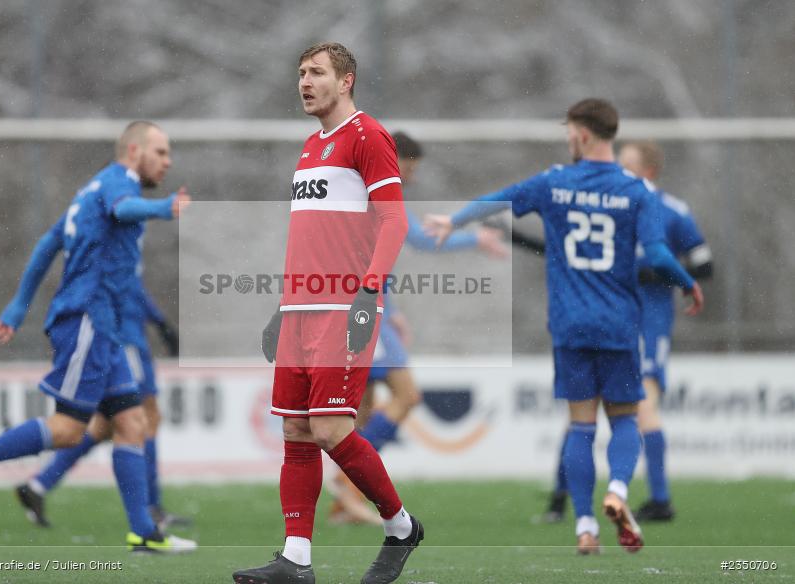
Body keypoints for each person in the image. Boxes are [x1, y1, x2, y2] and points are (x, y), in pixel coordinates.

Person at [425, 99, 704, 555]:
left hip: (571, 325)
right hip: (618, 324)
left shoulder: (554, 183)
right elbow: (655, 255)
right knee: (625, 419)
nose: (567, 138)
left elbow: (496, 201)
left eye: (569, 130)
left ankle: (586, 527)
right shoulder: (637, 191)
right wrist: (687, 283)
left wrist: (452, 220)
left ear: (583, 135)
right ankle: (617, 488)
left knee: (580, 427)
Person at [0, 121, 196, 553]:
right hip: (86, 319)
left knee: (132, 423)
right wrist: (161, 207)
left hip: (102, 324)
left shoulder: (89, 189)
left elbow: (47, 243)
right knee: (69, 430)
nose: (168, 162)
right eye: (161, 152)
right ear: (134, 151)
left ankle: (144, 533)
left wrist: (19, 305)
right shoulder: (118, 184)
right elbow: (125, 210)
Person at [232, 42, 421, 584]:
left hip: (343, 306)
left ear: (347, 81)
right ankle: (296, 559)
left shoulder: (368, 135)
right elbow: (309, 237)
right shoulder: (311, 146)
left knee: (332, 428)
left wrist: (367, 293)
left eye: (317, 72)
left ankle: (401, 526)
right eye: (300, 73)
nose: (305, 82)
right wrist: (281, 307)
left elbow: (395, 223)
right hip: (301, 308)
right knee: (296, 431)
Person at [329, 131, 509, 525]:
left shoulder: (352, 189)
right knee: (406, 395)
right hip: (362, 310)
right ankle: (346, 481)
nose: (408, 178)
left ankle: (348, 501)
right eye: (407, 169)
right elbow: (419, 241)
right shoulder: (377, 192)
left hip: (357, 307)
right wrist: (475, 238)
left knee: (363, 406)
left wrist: (390, 307)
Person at [537, 141, 713, 526]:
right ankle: (560, 498)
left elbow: (704, 263)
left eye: (628, 164)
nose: (618, 168)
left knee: (640, 407)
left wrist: (653, 273)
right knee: (580, 415)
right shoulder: (605, 201)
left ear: (649, 171)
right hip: (603, 319)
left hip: (647, 324)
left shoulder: (671, 210)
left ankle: (659, 498)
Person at [14, 273, 190, 531]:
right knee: (144, 420)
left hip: (113, 343)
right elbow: (130, 289)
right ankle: (152, 507)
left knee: (102, 427)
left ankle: (38, 485)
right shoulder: (115, 243)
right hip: (126, 345)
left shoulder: (98, 252)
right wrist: (161, 323)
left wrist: (160, 323)